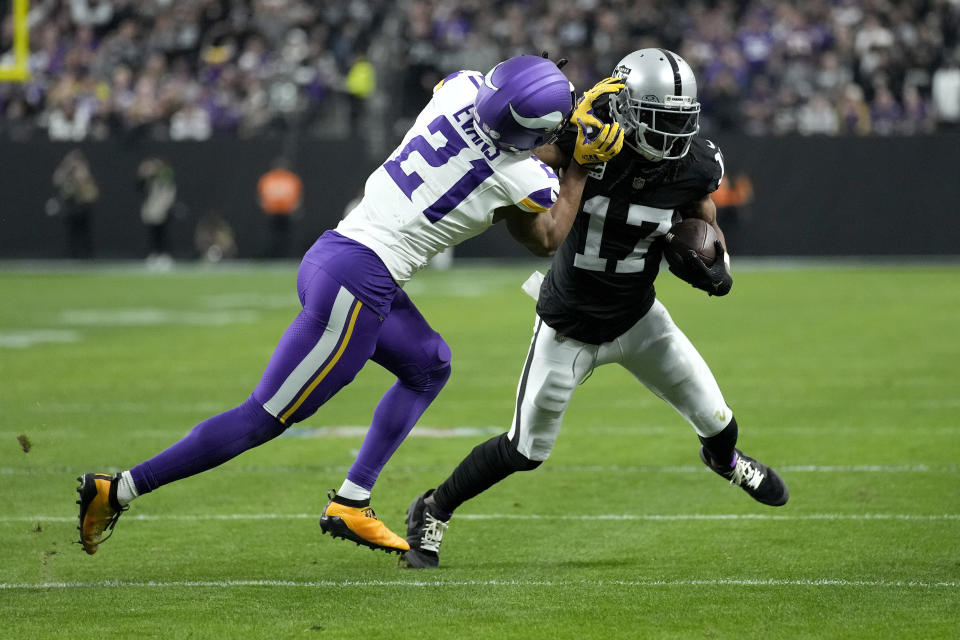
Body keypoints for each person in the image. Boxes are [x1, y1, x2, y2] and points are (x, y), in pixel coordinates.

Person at [75, 55, 626, 556]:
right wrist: (577, 166)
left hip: (338, 256)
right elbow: (548, 236)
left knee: (428, 363)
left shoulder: (458, 91)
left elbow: (497, 127)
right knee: (262, 418)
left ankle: (352, 500)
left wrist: (553, 133)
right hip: (359, 284)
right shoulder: (520, 175)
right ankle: (118, 488)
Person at [400, 49, 789, 570]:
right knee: (524, 450)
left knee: (718, 422)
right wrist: (564, 138)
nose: (672, 137)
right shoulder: (587, 139)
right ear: (627, 110)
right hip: (569, 326)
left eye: (680, 122)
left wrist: (713, 253)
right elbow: (521, 168)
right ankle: (433, 508)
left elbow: (704, 214)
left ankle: (727, 463)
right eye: (660, 121)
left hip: (639, 317)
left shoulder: (695, 163)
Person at [51, 149, 99, 259]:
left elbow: (87, 186)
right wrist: (66, 167)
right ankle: (72, 255)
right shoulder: (65, 172)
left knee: (85, 232)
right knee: (71, 232)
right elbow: (56, 179)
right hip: (70, 206)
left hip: (83, 206)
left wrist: (79, 170)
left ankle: (87, 255)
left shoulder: (84, 172)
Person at [257, 158, 303, 259]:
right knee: (273, 236)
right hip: (273, 212)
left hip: (286, 212)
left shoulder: (290, 179)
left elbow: (297, 196)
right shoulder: (269, 179)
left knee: (286, 236)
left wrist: (295, 208)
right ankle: (274, 255)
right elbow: (262, 195)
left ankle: (285, 256)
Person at [137, 157, 178, 268]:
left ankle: (165, 256)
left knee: (163, 234)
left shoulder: (165, 177)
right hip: (152, 210)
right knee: (153, 235)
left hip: (162, 210)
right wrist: (143, 174)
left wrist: (164, 208)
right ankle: (154, 255)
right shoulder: (149, 180)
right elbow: (139, 188)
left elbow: (169, 191)